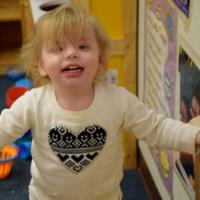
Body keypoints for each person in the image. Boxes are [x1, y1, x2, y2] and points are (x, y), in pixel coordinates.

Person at [0, 2, 200, 200]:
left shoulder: (119, 100)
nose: (71, 53)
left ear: (100, 59)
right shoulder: (33, 103)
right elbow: (4, 128)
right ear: (42, 64)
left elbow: (157, 128)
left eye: (83, 46)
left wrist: (195, 136)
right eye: (59, 48)